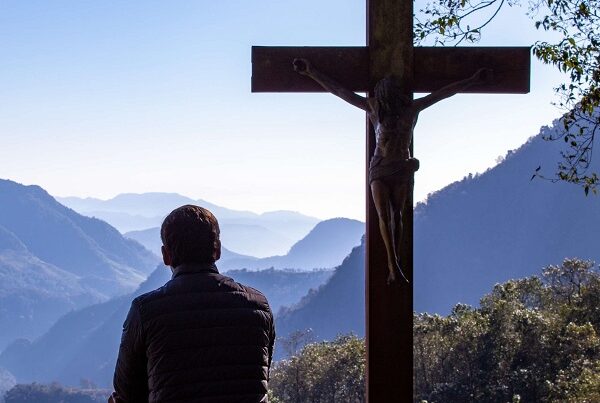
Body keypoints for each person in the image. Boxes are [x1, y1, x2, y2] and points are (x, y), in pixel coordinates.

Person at [293, 58, 491, 284]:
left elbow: (444, 93)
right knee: (384, 216)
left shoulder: (411, 109)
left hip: (400, 168)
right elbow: (340, 91)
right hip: (379, 168)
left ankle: (395, 260)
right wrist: (312, 72)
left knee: (397, 215)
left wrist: (472, 80)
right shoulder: (374, 109)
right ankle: (392, 263)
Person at [110, 205, 275, 402]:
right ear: (218, 250)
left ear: (166, 255)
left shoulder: (146, 311)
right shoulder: (258, 307)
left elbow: (127, 393)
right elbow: (261, 378)